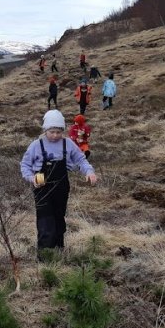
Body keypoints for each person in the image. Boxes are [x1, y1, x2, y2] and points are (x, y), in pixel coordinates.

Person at [20, 110, 97, 257]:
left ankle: (59, 252)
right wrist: (31, 178)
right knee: (45, 222)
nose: (55, 135)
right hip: (41, 189)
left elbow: (81, 160)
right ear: (45, 130)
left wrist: (89, 172)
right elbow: (25, 165)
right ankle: (45, 258)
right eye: (52, 131)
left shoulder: (68, 144)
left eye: (58, 132)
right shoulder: (36, 145)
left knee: (59, 220)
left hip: (62, 188)